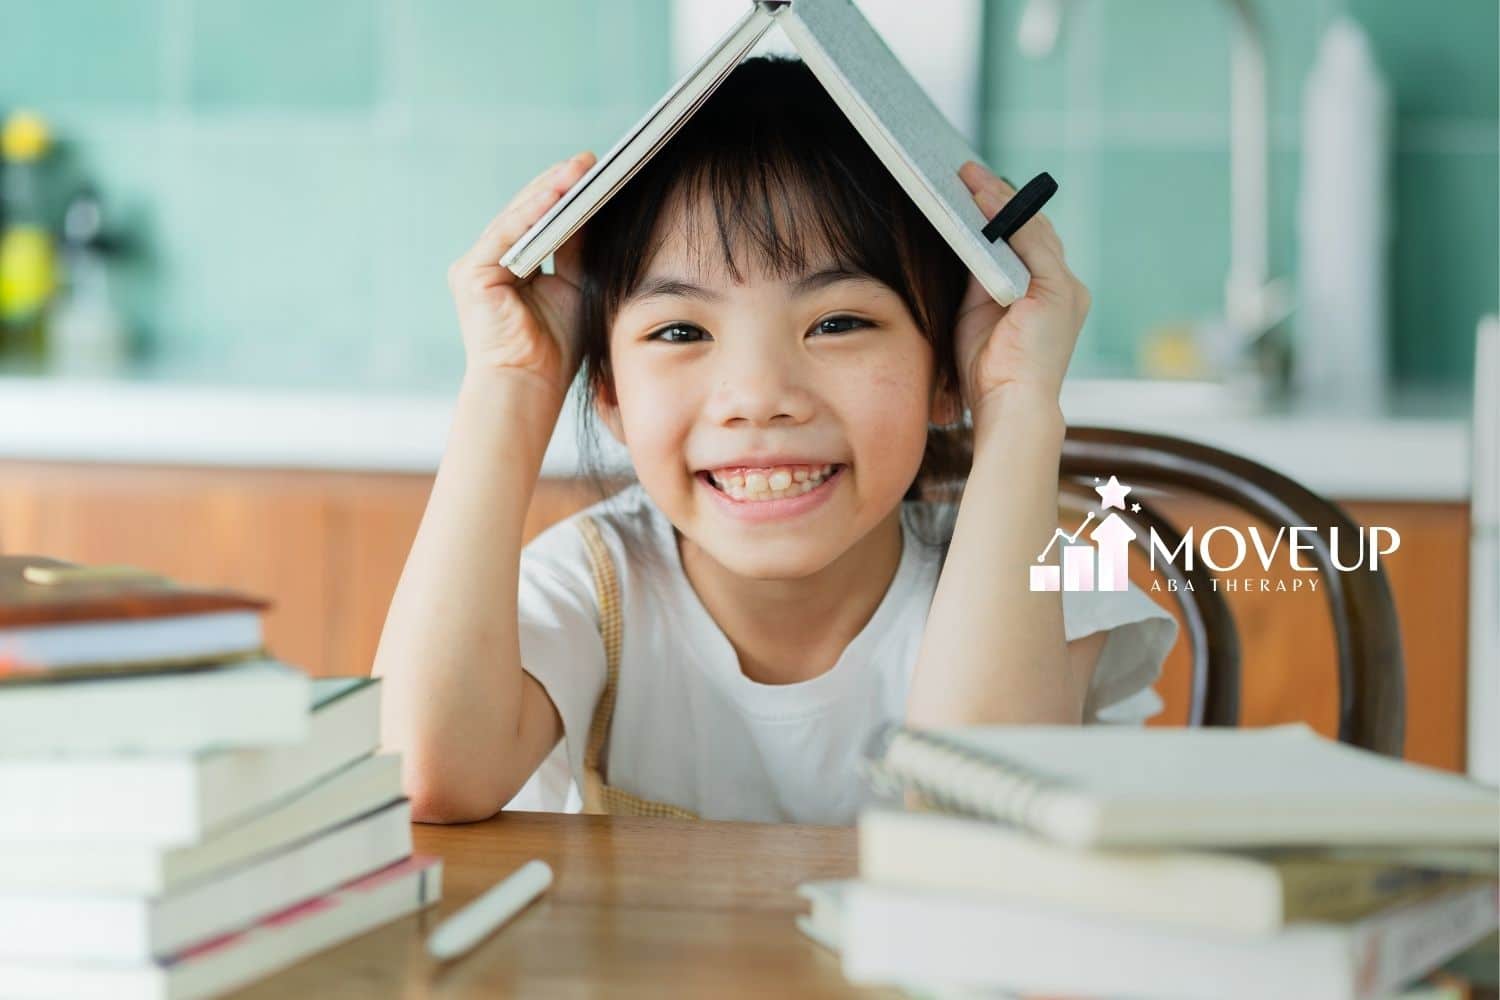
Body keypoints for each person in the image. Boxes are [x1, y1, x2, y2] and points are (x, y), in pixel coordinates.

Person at [373, 56, 1178, 825]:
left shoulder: (1039, 586)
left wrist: (1016, 403)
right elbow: (420, 776)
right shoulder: (593, 587)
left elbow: (980, 813)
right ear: (609, 389)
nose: (758, 398)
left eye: (837, 322)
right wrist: (510, 381)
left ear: (944, 376)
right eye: (682, 329)